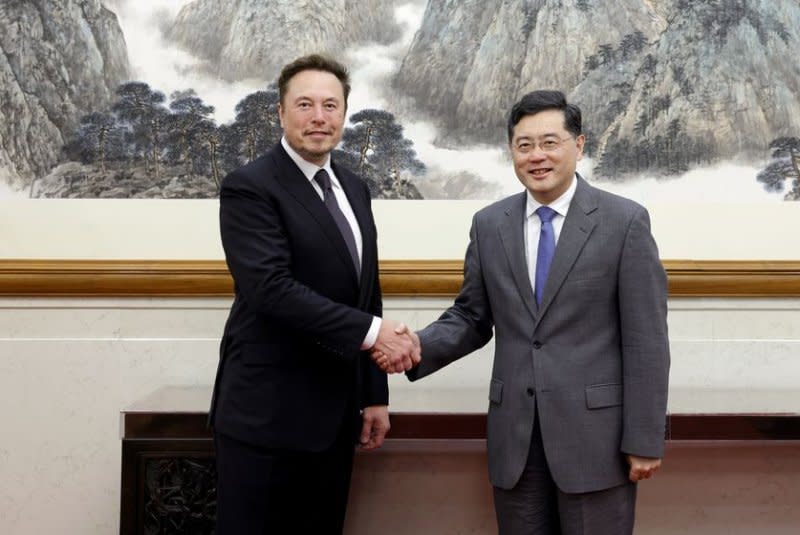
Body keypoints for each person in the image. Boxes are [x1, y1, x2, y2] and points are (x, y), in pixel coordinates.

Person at [377, 90, 670, 534]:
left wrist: (645, 440)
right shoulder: (489, 224)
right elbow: (471, 317)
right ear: (512, 150)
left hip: (597, 443)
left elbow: (646, 341)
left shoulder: (624, 222)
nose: (537, 156)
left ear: (579, 145)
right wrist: (418, 345)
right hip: (515, 441)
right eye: (524, 144)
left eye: (550, 142)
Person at [209, 54, 419, 534]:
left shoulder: (354, 187)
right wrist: (375, 335)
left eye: (331, 105)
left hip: (334, 416)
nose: (319, 117)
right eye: (304, 104)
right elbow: (269, 289)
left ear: (345, 114)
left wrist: (374, 395)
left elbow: (367, 293)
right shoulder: (250, 187)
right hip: (266, 417)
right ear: (280, 113)